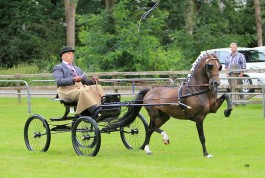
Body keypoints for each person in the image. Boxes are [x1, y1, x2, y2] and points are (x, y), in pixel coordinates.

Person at [53, 46, 105, 120]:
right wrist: (73, 79)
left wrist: (92, 81)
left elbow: (84, 81)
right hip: (66, 90)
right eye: (69, 53)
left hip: (80, 88)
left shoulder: (77, 68)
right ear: (63, 55)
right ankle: (94, 111)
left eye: (72, 54)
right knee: (83, 91)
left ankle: (104, 106)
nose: (72, 55)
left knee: (97, 87)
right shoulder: (58, 67)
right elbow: (59, 81)